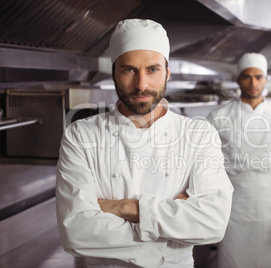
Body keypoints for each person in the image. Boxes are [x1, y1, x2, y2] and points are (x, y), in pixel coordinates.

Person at [55, 18, 233, 268]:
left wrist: (125, 208)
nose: (141, 84)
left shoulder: (198, 135)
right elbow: (76, 232)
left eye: (152, 69)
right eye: (129, 70)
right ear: (114, 71)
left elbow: (212, 224)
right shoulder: (81, 136)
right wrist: (167, 239)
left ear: (167, 72)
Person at [207, 53, 271, 268]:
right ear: (239, 79)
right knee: (232, 260)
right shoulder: (219, 116)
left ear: (265, 80)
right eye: (247, 77)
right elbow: (208, 166)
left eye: (258, 77)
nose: (253, 83)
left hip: (268, 203)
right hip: (232, 203)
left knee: (266, 260)